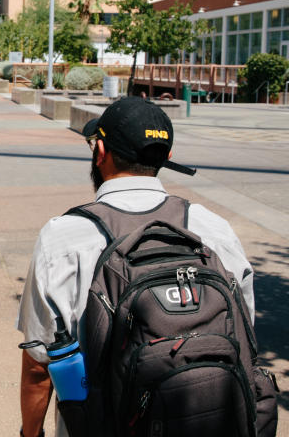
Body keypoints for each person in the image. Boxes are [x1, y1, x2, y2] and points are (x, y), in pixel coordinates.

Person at [16, 97, 256, 437]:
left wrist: (31, 433)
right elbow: (245, 335)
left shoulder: (64, 237)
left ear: (99, 151)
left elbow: (40, 366)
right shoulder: (213, 229)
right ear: (166, 158)